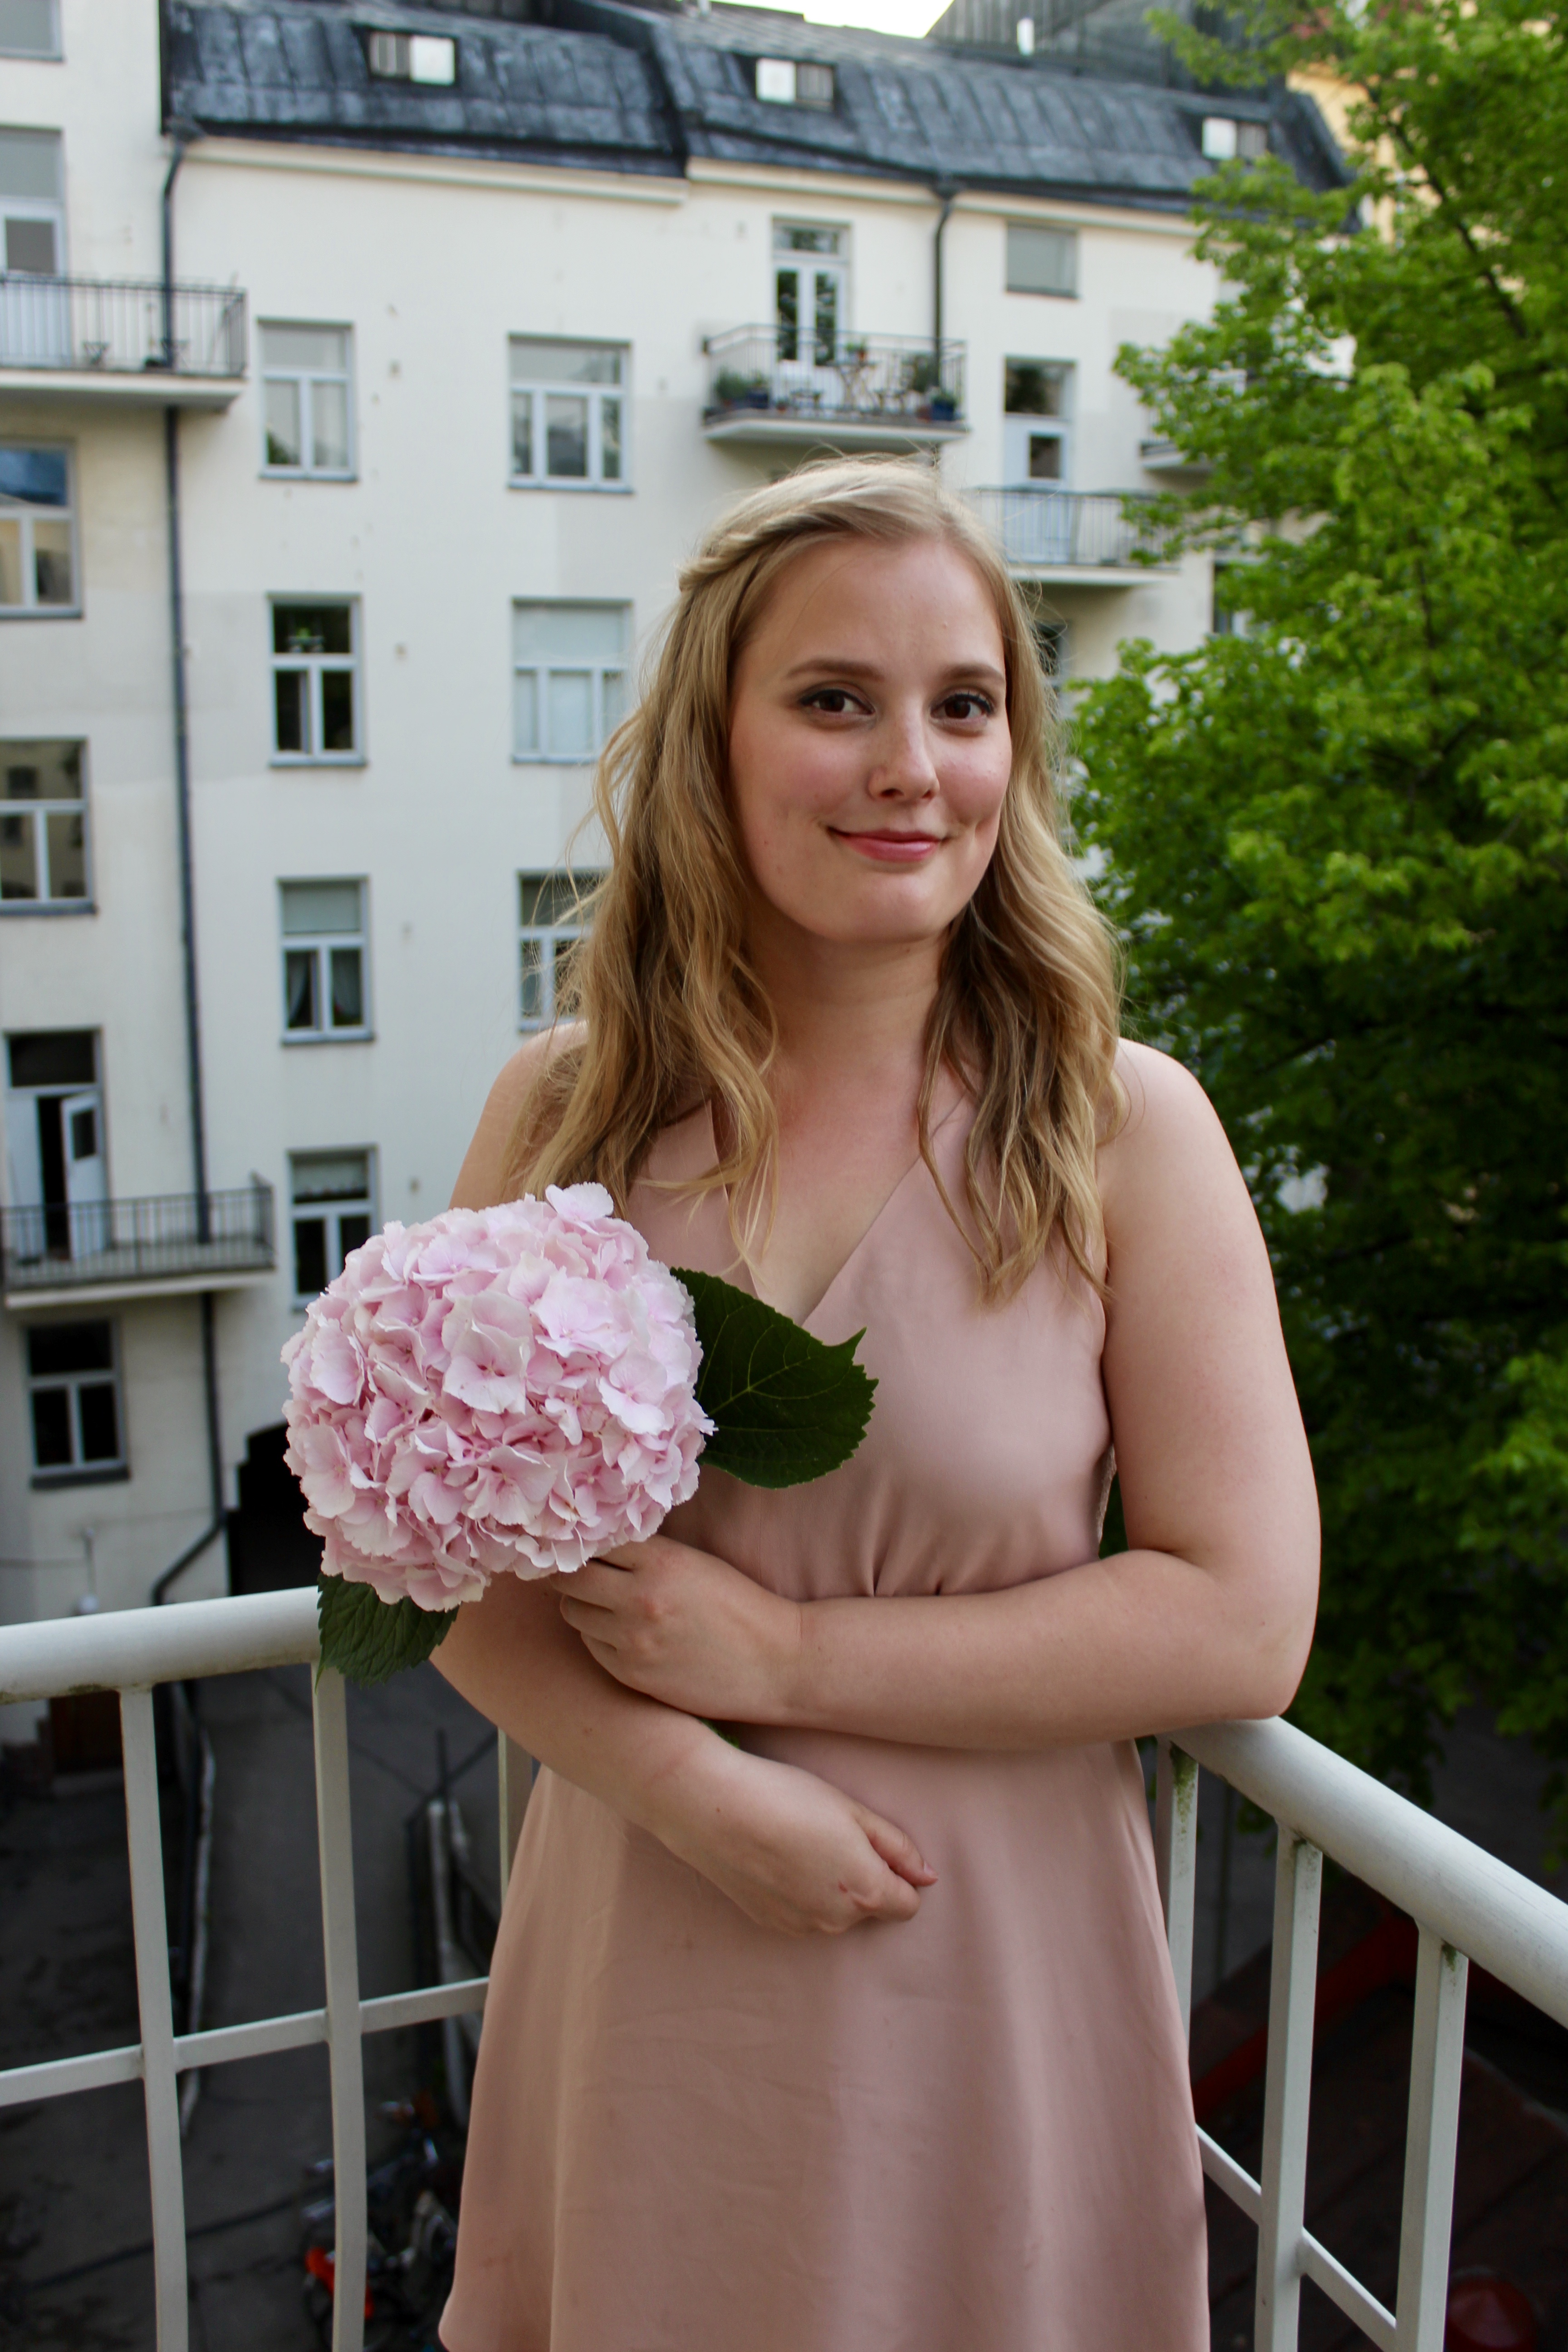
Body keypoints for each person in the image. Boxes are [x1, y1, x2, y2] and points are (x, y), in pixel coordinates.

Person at [433, 458, 1319, 2351]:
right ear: (716, 741)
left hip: (996, 1970)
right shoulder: (567, 1113)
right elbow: (447, 1575)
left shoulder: (1122, 1127)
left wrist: (783, 1658)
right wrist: (695, 1789)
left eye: (964, 705)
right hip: (652, 1948)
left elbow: (1245, 1618)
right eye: (837, 699)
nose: (912, 767)